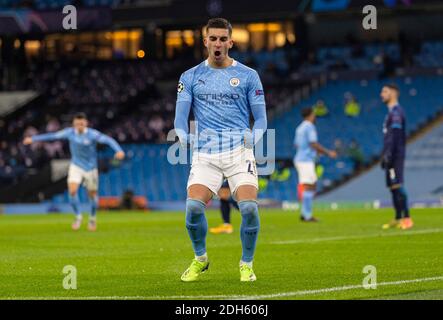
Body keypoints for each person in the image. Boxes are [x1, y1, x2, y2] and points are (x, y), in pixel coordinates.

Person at [174, 18, 267, 282]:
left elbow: (261, 119)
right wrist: (182, 135)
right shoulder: (190, 76)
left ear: (231, 42)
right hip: (206, 153)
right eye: (212, 38)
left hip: (239, 152)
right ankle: (200, 258)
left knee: (248, 209)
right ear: (205, 41)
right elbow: (180, 118)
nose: (218, 43)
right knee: (193, 208)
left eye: (222, 39)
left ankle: (246, 264)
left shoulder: (249, 75)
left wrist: (255, 136)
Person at [23, 113, 125, 231]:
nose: (79, 126)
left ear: (86, 123)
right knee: (72, 190)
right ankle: (78, 216)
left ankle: (92, 218)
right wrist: (33, 139)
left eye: (81, 124)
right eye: (77, 124)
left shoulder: (92, 134)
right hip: (76, 166)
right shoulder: (69, 132)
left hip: (91, 168)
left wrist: (118, 150)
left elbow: (108, 140)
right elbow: (52, 136)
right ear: (74, 124)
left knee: (92, 195)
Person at [294, 107, 337, 222]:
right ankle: (307, 215)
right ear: (311, 115)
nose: (315, 117)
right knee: (309, 186)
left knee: (310, 185)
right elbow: (313, 143)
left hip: (301, 158)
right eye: (314, 114)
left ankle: (305, 213)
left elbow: (296, 145)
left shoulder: (300, 128)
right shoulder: (309, 127)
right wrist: (328, 153)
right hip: (305, 160)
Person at [380, 84, 413, 230]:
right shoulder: (390, 113)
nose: (381, 94)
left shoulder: (397, 112)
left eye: (384, 91)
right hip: (390, 153)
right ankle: (398, 217)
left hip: (396, 154)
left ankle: (407, 218)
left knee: (398, 184)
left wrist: (389, 154)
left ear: (393, 93)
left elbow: (395, 136)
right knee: (393, 186)